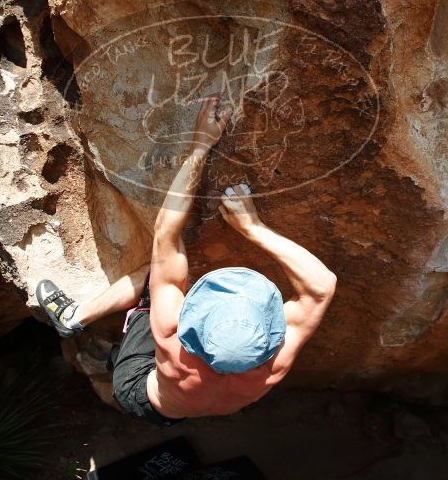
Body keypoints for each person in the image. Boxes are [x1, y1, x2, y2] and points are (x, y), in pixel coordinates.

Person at [37, 94, 336, 426]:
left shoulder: (170, 335)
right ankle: (112, 352)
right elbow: (321, 287)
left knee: (154, 277)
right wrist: (254, 228)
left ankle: (73, 318)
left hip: (140, 391)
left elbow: (165, 233)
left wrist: (200, 146)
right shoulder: (273, 367)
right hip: (192, 405)